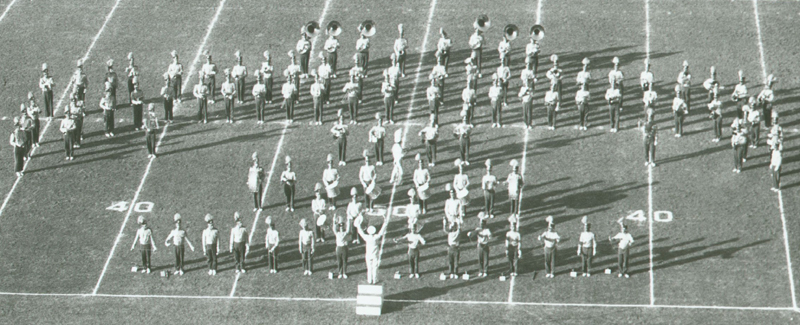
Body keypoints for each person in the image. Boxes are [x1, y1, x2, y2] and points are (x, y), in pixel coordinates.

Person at [357, 219, 389, 284]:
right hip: (375, 255)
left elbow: (361, 233)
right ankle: (375, 280)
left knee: (369, 268)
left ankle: (369, 280)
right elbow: (381, 232)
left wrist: (358, 226)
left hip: (368, 255)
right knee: (375, 268)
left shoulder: (366, 237)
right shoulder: (376, 237)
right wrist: (385, 224)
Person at [332, 213, 351, 278]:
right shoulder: (337, 233)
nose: (341, 227)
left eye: (342, 226)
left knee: (345, 261)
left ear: (343, 226)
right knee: (339, 261)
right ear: (339, 227)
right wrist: (334, 220)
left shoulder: (345, 233)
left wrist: (348, 219)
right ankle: (340, 273)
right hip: (339, 248)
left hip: (345, 248)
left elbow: (348, 228)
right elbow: (333, 228)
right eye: (340, 226)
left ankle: (344, 273)